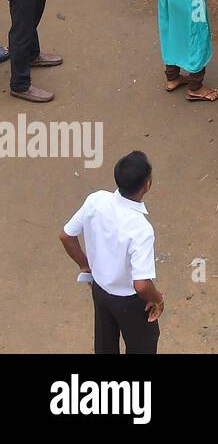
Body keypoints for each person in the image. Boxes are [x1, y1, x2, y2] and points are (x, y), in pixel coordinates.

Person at [59, 151, 163, 353]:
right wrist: (158, 299)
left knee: (105, 345)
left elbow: (66, 236)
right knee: (142, 345)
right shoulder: (141, 229)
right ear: (147, 185)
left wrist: (84, 265)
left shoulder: (95, 200)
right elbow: (141, 285)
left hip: (100, 291)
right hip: (131, 302)